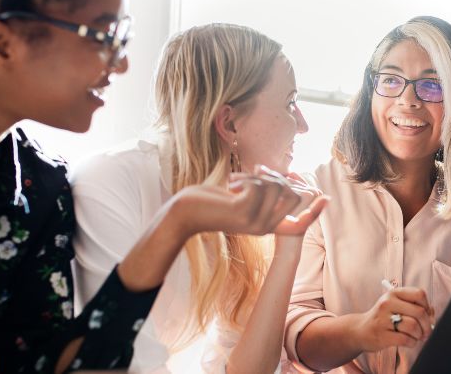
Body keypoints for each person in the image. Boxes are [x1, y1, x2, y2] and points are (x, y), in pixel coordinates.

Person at [0, 0, 315, 373]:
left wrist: (176, 222)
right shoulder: (94, 181)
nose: (121, 63)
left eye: (123, 36)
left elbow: (52, 365)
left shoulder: (37, 189)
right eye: (102, 35)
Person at [71, 23, 328, 374]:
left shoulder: (234, 208)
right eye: (290, 103)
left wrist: (289, 247)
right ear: (230, 123)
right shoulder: (111, 182)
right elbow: (122, 362)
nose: (303, 125)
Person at [284, 16, 451, 373]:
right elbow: (293, 336)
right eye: (391, 80)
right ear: (371, 91)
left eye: (432, 85)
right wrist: (362, 331)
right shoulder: (316, 195)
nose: (408, 101)